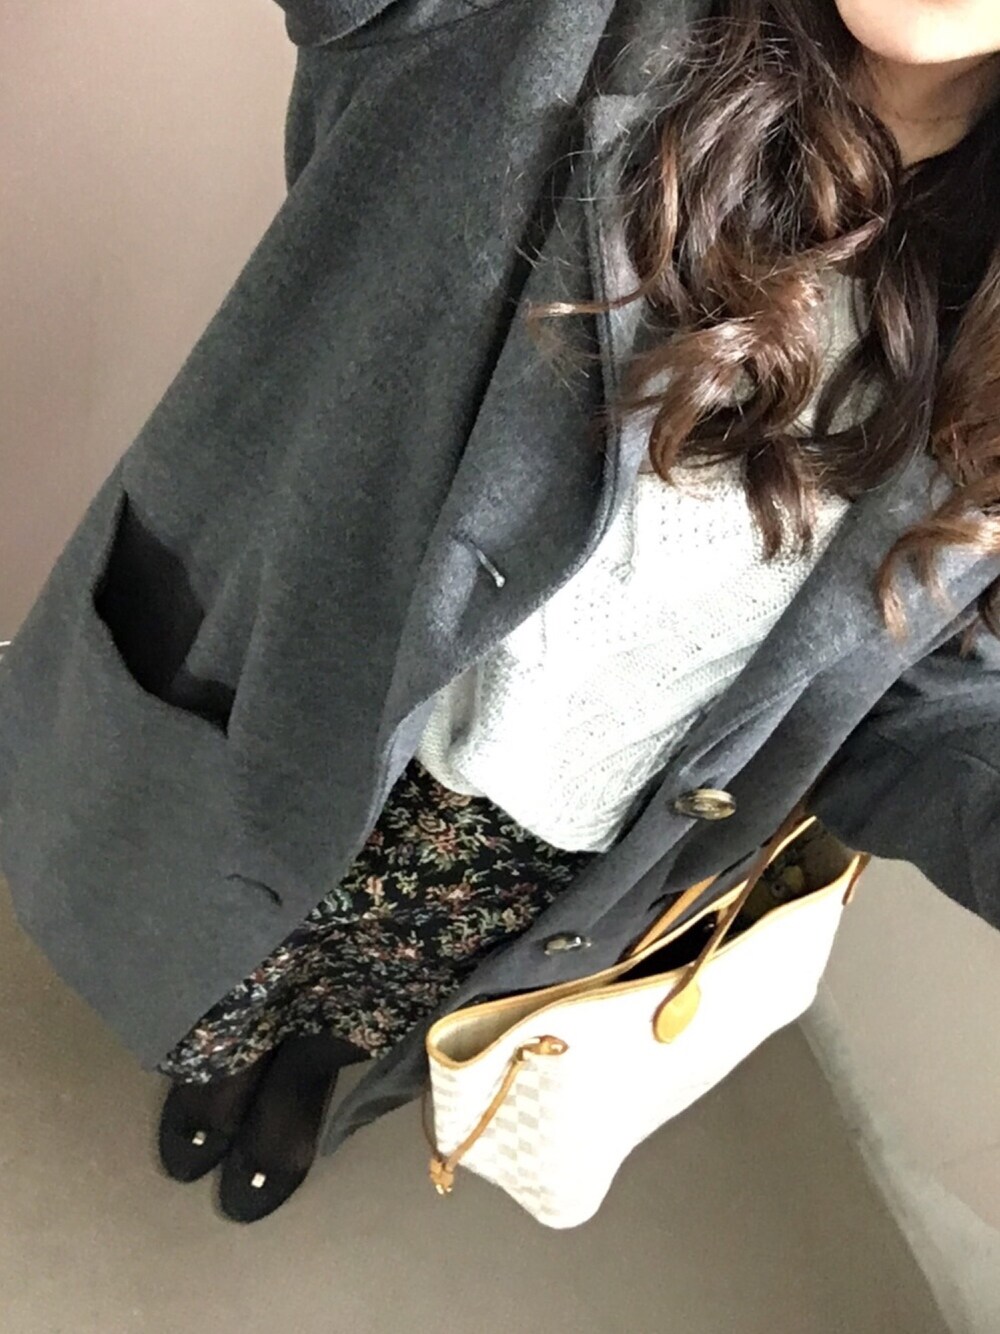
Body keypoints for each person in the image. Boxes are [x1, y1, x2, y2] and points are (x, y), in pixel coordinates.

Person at [2, 0, 1000, 1225]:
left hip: (557, 830)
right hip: (303, 711)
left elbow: (920, 679)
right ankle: (212, 1056)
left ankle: (302, 1076)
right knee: (220, 944)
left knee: (365, 991)